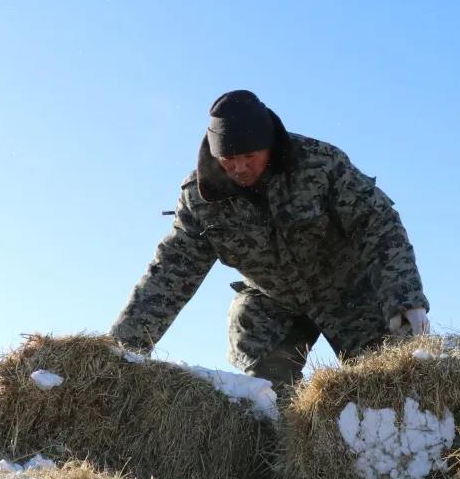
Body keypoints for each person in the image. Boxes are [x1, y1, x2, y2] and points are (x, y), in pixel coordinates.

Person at [111, 89, 429, 389]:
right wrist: (122, 347)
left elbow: (378, 225)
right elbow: (171, 272)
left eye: (250, 155)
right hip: (274, 301)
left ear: (270, 145)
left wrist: (404, 298)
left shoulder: (320, 166)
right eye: (227, 159)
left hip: (349, 292)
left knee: (386, 382)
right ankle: (283, 431)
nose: (239, 167)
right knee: (264, 377)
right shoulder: (200, 200)